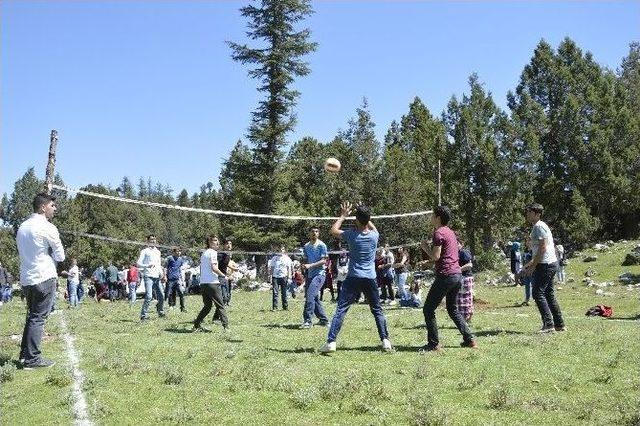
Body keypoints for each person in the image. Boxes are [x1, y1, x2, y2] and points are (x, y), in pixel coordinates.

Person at [320, 202, 391, 353]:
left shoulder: (352, 235)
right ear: (369, 219)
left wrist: (344, 215)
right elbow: (372, 227)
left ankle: (331, 342)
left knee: (341, 310)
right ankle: (385, 341)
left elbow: (333, 230)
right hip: (370, 277)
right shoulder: (374, 235)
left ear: (357, 220)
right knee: (377, 310)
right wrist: (364, 213)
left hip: (353, 277)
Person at [17, 193, 65, 369]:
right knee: (38, 318)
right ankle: (32, 359)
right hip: (44, 276)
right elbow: (60, 255)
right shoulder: (47, 227)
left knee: (32, 316)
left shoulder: (22, 226)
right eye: (53, 206)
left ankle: (24, 355)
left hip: (26, 278)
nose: (55, 209)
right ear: (43, 207)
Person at [419, 205, 476, 352]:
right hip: (457, 275)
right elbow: (445, 256)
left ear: (438, 217)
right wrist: (429, 262)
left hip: (446, 276)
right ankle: (469, 339)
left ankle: (434, 343)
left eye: (432, 215)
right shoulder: (450, 232)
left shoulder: (438, 233)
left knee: (428, 309)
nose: (431, 217)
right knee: (452, 309)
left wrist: (425, 247)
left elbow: (436, 256)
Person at [521, 203, 565, 333]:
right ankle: (559, 324)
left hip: (545, 264)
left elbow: (542, 248)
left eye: (529, 212)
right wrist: (528, 265)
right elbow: (539, 250)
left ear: (537, 214)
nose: (527, 214)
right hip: (550, 263)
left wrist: (533, 266)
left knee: (537, 293)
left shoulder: (539, 227)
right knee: (549, 294)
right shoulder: (541, 226)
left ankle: (549, 324)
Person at [193, 235, 229, 331]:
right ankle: (226, 327)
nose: (217, 242)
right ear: (209, 242)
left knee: (207, 306)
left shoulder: (204, 253)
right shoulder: (213, 253)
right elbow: (214, 268)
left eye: (217, 241)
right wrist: (223, 276)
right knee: (221, 305)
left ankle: (196, 325)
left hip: (203, 283)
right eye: (214, 240)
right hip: (212, 282)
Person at [300, 227, 329, 329]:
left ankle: (307, 320)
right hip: (310, 275)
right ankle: (324, 320)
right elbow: (305, 258)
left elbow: (323, 261)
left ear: (318, 234)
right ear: (309, 233)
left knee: (310, 295)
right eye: (312, 231)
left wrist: (310, 265)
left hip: (320, 274)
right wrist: (302, 265)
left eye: (316, 231)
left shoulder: (322, 245)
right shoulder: (306, 246)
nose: (314, 233)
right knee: (314, 298)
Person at [137, 235, 165, 320]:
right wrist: (147, 265)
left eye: (154, 239)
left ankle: (160, 311)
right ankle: (143, 315)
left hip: (157, 277)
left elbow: (159, 264)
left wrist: (162, 273)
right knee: (149, 296)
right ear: (148, 241)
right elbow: (138, 263)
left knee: (162, 295)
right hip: (148, 276)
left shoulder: (158, 252)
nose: (153, 241)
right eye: (151, 239)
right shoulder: (144, 251)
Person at [268, 245, 293, 310]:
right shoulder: (274, 258)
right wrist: (270, 277)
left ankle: (285, 307)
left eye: (282, 249)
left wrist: (289, 277)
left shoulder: (287, 258)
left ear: (284, 250)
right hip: (275, 277)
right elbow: (272, 268)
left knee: (284, 292)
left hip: (284, 277)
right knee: (275, 292)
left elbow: (288, 268)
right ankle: (275, 307)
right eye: (279, 250)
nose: (281, 251)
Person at [456, 239, 474, 322]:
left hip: (466, 278)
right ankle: (466, 318)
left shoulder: (463, 252)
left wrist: (459, 269)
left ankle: (466, 319)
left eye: (457, 243)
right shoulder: (455, 253)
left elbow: (470, 264)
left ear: (461, 244)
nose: (456, 245)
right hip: (460, 278)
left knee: (465, 299)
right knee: (460, 299)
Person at [165, 247, 187, 312]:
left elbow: (180, 269)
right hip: (170, 279)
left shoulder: (180, 259)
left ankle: (182, 308)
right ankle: (171, 306)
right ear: (174, 252)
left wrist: (182, 280)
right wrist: (165, 276)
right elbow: (165, 267)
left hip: (177, 279)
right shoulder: (169, 258)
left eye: (180, 251)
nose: (179, 252)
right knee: (170, 293)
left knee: (181, 293)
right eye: (177, 251)